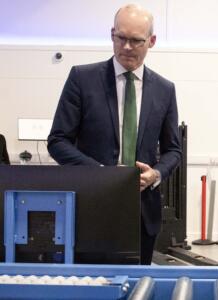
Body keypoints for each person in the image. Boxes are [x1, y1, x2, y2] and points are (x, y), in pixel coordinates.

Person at [47, 4, 181, 264]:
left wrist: (156, 174)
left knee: (138, 287)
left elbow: (173, 150)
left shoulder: (165, 90)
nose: (127, 47)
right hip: (89, 209)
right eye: (121, 38)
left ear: (151, 41)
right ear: (111, 34)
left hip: (142, 214)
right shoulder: (82, 78)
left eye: (136, 40)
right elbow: (58, 140)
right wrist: (99, 173)